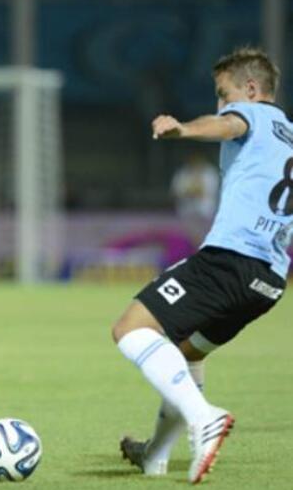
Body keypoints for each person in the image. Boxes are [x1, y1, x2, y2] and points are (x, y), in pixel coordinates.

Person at [112, 47, 290, 484]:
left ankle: (203, 419)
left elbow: (230, 122)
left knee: (131, 328)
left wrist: (183, 129)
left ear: (251, 90)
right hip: (269, 280)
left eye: (223, 93)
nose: (220, 104)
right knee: (186, 354)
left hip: (232, 259)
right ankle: (155, 455)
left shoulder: (258, 116)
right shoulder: (289, 132)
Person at [170, 153, 219, 246]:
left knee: (205, 237)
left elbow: (206, 191)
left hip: (205, 213)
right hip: (187, 212)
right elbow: (176, 191)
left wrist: (192, 190)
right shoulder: (183, 172)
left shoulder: (209, 172)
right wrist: (191, 190)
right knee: (190, 237)